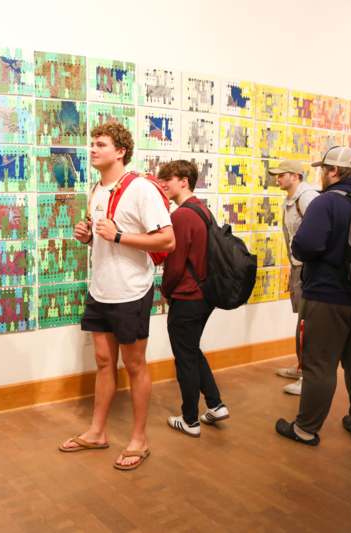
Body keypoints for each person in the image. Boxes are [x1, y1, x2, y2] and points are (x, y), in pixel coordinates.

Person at [59, 122, 175, 471]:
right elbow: (102, 236)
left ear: (120, 151)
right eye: (92, 143)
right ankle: (97, 432)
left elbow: (166, 240)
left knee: (135, 365)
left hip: (131, 290)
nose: (92, 149)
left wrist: (120, 236)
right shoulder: (96, 189)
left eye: (101, 144)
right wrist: (87, 236)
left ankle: (140, 439)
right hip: (101, 289)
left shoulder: (141, 189)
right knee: (104, 363)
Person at [275, 146, 351, 446]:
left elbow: (305, 246)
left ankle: (305, 429)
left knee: (320, 364)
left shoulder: (327, 202)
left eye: (323, 169)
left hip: (329, 297)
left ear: (333, 172)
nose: (320, 175)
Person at [157, 160, 229, 438]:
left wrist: (166, 290)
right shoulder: (202, 209)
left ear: (184, 180)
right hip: (204, 294)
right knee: (191, 349)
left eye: (169, 179)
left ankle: (190, 419)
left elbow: (175, 265)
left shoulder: (181, 216)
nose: (164, 184)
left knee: (184, 357)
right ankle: (215, 404)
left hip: (187, 295)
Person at [268, 160, 319, 395]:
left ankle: (308, 376)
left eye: (282, 175)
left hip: (308, 269)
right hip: (299, 267)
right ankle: (302, 368)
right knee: (302, 320)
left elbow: (318, 234)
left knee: (307, 322)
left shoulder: (307, 198)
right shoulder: (292, 199)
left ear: (296, 176)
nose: (277, 179)